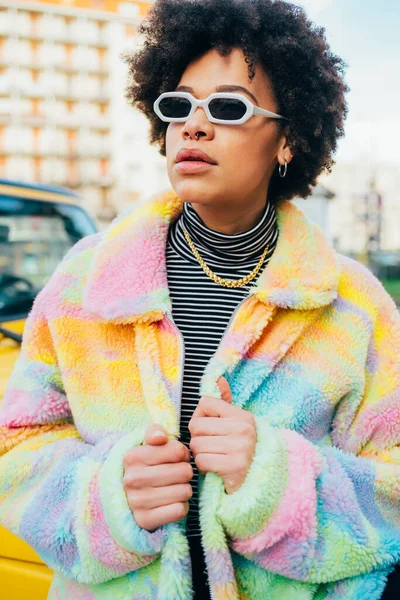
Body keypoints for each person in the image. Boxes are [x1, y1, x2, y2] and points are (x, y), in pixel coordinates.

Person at [1, 1, 399, 599]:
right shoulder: (87, 280)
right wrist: (109, 498)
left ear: (288, 138)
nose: (193, 125)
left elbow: (393, 497)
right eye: (178, 105)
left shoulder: (351, 305)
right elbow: (16, 451)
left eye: (230, 107)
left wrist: (273, 479)